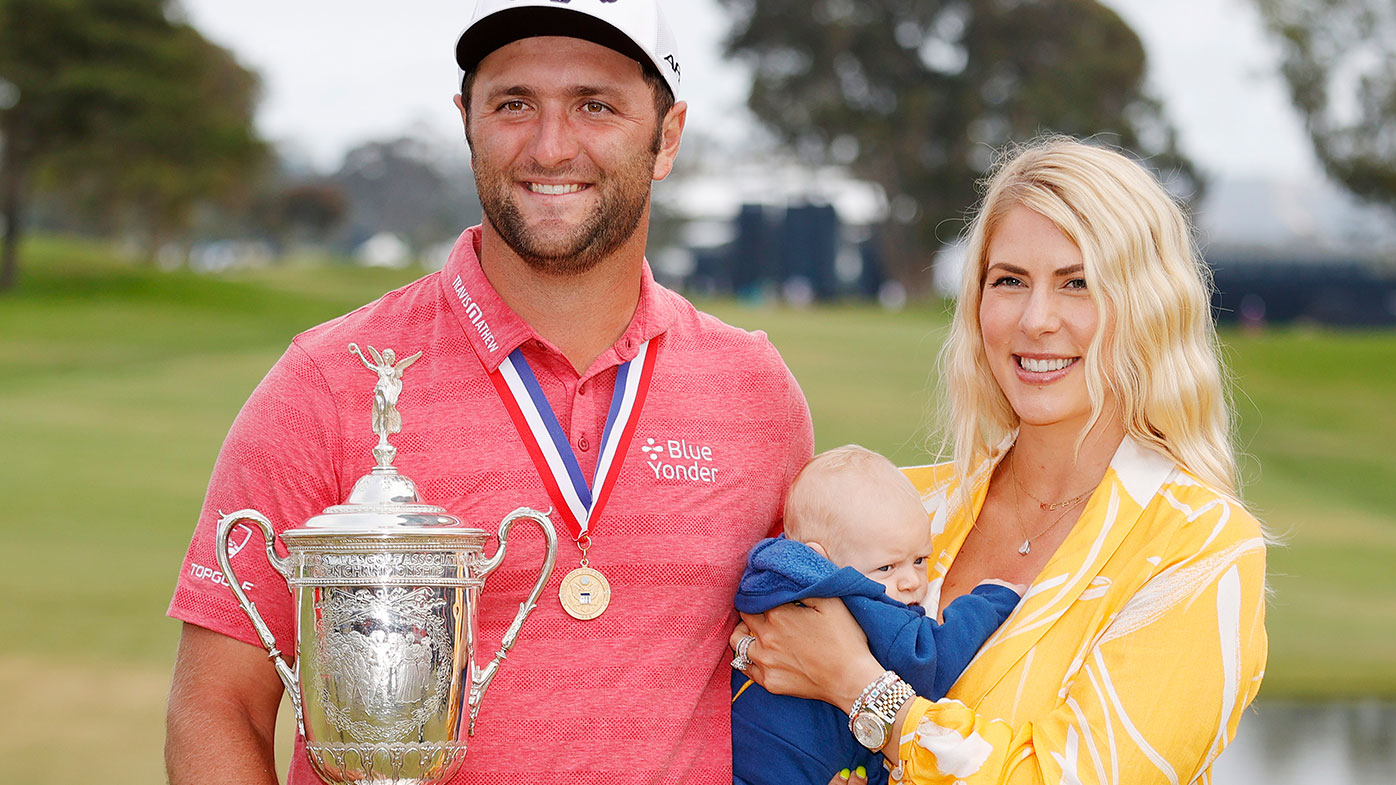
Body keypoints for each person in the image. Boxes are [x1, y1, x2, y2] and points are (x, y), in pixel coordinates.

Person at [163, 2, 813, 783]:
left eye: (595, 105)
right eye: (513, 104)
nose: (550, 146)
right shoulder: (328, 380)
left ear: (667, 135)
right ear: (466, 119)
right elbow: (217, 704)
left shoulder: (757, 393)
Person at [731, 137, 1268, 785]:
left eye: (1079, 283)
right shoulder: (904, 503)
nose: (1036, 319)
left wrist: (859, 686)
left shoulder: (1199, 546)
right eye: (1009, 280)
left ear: (1148, 308)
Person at [731, 445, 1021, 785]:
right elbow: (930, 664)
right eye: (886, 567)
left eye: (920, 560)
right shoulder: (858, 601)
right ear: (821, 558)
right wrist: (987, 603)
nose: (912, 582)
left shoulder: (771, 583)